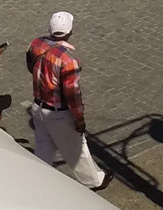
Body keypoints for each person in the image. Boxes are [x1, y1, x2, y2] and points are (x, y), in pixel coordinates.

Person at [26, 11, 108, 190]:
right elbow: (72, 92)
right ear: (69, 32)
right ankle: (93, 181)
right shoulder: (69, 59)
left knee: (43, 146)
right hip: (58, 112)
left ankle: (38, 178)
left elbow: (30, 65)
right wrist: (79, 118)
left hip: (38, 105)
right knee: (77, 147)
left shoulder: (36, 44)